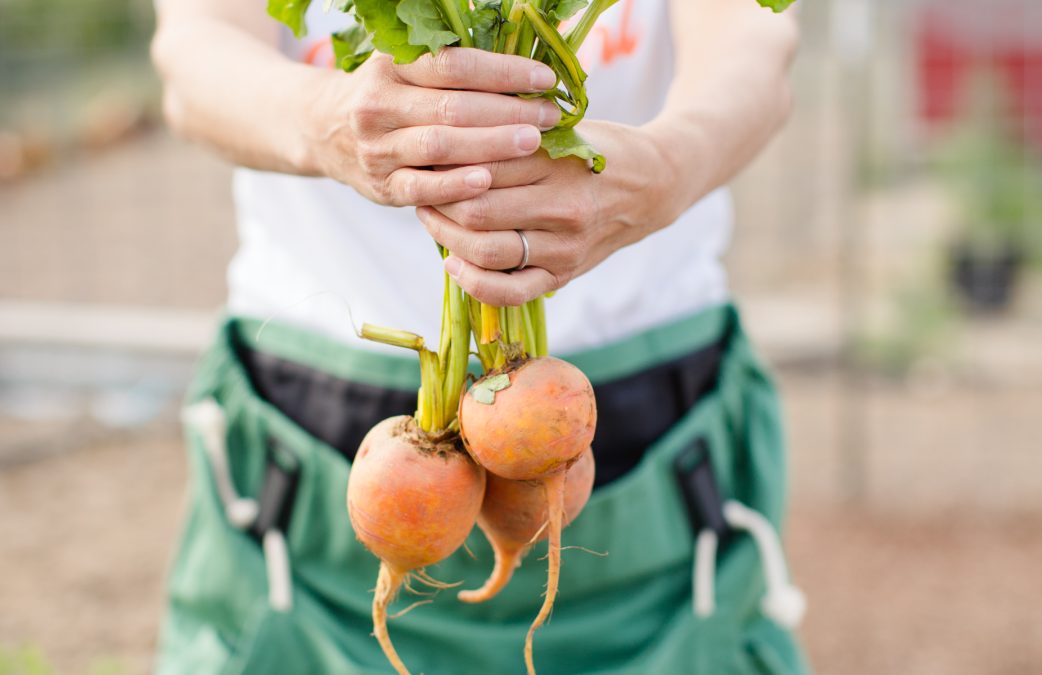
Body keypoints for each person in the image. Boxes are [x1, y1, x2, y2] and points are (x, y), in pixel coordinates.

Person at [151, 0, 807, 673]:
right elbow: (195, 50)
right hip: (301, 434)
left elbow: (755, 43)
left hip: (658, 423)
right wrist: (326, 121)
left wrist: (669, 167)